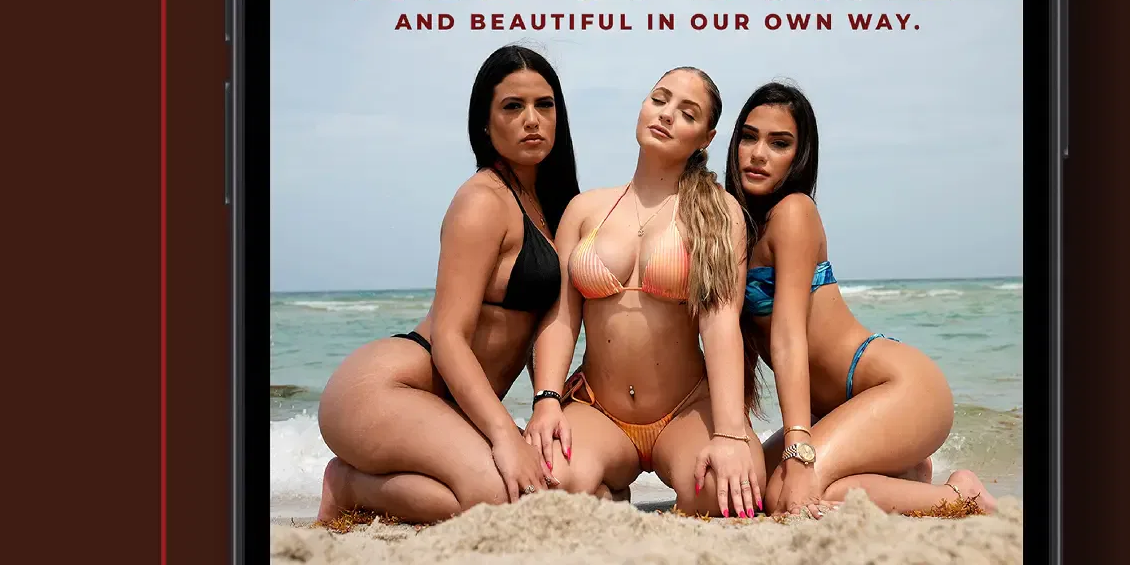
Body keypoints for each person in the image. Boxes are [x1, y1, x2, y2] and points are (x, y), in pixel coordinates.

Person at [316, 45, 580, 523]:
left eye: (544, 105)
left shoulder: (550, 206)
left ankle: (366, 483)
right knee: (495, 498)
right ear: (484, 123)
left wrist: (553, 397)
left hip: (445, 407)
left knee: (535, 492)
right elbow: (451, 337)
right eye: (512, 107)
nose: (532, 119)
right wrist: (503, 433)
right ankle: (347, 483)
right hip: (386, 388)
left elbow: (548, 326)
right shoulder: (482, 200)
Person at [724, 80, 997, 517]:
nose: (758, 154)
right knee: (747, 491)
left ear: (800, 156)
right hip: (845, 411)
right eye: (749, 137)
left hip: (898, 387)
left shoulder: (794, 212)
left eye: (779, 143)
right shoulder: (738, 228)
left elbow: (788, 335)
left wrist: (797, 445)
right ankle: (903, 476)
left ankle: (961, 495)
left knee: (786, 498)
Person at [525, 68, 765, 519]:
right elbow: (560, 318)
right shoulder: (585, 209)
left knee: (726, 495)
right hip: (598, 409)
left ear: (705, 138)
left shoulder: (718, 213)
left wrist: (731, 433)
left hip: (687, 408)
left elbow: (720, 324)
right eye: (660, 99)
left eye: (687, 113)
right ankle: (606, 490)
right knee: (544, 485)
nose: (667, 115)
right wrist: (547, 400)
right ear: (643, 106)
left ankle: (630, 487)